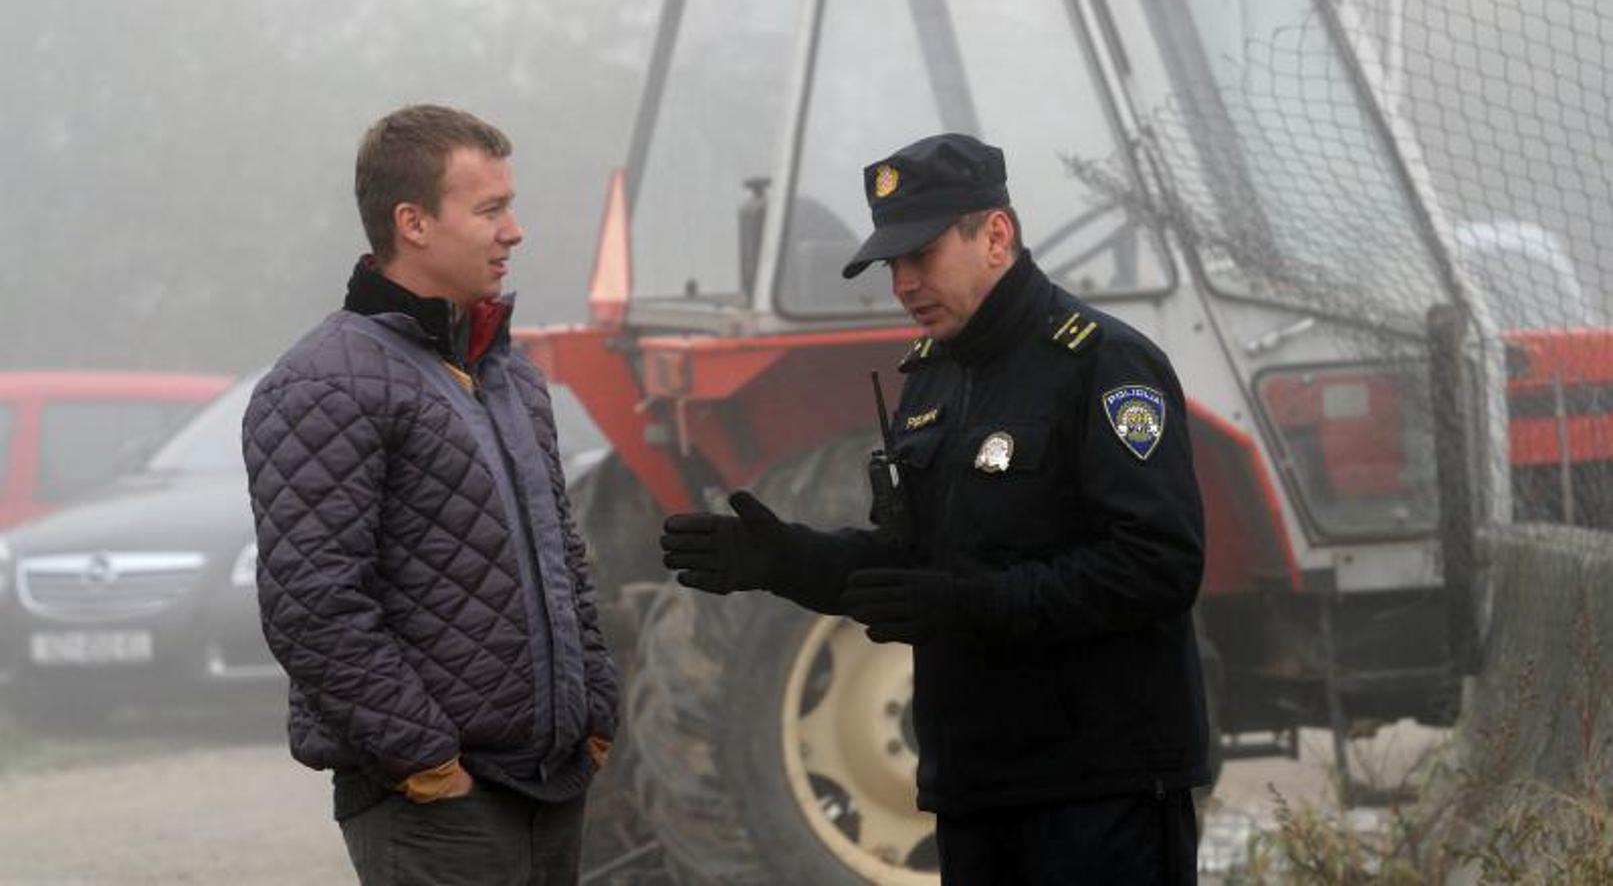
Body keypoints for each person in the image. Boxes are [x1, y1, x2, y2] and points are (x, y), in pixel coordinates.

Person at [661, 132, 1208, 883]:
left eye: (921, 256)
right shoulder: (930, 378)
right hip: (974, 789)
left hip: (1099, 788)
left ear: (995, 235)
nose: (903, 283)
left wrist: (971, 605)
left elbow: (1157, 565)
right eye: (891, 265)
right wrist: (787, 561)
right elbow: (913, 564)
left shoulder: (1102, 363)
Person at [243, 104, 618, 886]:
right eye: (490, 210)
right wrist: (425, 762)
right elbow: (313, 606)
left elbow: (562, 557)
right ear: (412, 223)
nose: (513, 231)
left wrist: (594, 711)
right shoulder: (323, 385)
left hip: (551, 786)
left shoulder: (509, 376)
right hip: (436, 805)